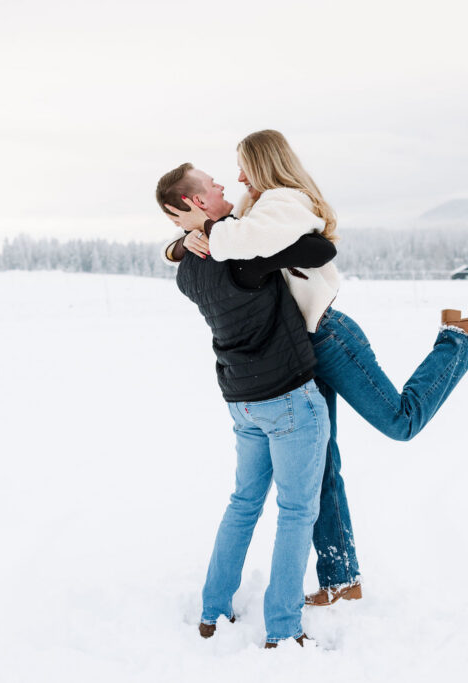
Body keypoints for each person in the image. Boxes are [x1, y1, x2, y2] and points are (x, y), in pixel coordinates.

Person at [161, 131, 468, 608]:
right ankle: (341, 577)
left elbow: (268, 244)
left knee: (400, 422)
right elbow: (224, 240)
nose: (238, 177)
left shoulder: (285, 201)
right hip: (294, 352)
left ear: (263, 165)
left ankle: (457, 340)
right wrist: (180, 244)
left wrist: (201, 235)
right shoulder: (258, 206)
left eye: (243, 167)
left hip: (328, 337)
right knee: (321, 468)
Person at [155, 162, 337, 648]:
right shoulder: (242, 253)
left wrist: (183, 241)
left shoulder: (189, 267)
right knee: (297, 512)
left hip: (243, 402)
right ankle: (283, 628)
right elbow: (322, 248)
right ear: (195, 202)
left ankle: (213, 609)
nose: (221, 185)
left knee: (242, 505)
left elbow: (182, 247)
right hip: (290, 397)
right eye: (211, 184)